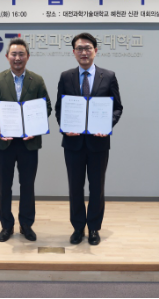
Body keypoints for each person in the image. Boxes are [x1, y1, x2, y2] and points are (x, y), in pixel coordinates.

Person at [55, 32, 123, 245]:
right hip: (73, 143)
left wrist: (107, 126)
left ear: (95, 50)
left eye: (87, 48)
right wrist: (65, 127)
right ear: (73, 52)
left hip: (98, 142)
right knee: (75, 187)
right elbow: (59, 108)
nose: (84, 52)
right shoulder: (66, 76)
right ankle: (78, 228)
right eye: (79, 49)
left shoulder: (108, 76)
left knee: (97, 187)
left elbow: (117, 108)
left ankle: (93, 228)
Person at [0, 38, 52, 242]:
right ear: (7, 57)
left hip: (29, 142)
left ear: (28, 57)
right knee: (4, 186)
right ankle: (7, 226)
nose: (17, 58)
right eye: (13, 54)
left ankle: (26, 225)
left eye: (21, 54)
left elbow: (46, 107)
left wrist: (36, 128)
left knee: (27, 185)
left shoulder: (37, 80)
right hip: (4, 142)